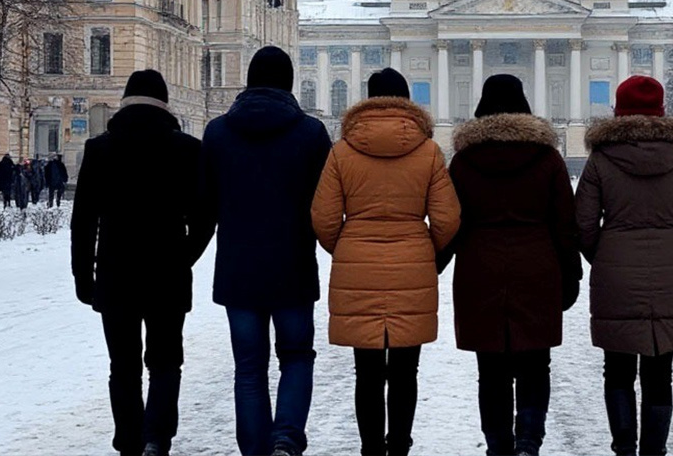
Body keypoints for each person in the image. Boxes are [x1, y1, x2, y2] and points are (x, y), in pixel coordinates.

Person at [311, 67, 460, 456]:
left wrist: (346, 248)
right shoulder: (428, 151)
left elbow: (324, 217)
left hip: (357, 261)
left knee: (367, 373)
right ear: (407, 102)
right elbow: (447, 219)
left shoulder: (342, 150)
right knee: (406, 371)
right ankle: (399, 447)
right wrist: (426, 250)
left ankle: (371, 448)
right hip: (412, 262)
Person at [576, 76, 673, 456]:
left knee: (617, 371)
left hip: (615, 274)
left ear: (618, 111)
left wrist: (605, 255)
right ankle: (654, 451)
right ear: (661, 110)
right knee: (660, 374)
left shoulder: (601, 157)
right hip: (672, 273)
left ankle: (624, 448)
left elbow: (583, 224)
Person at [200, 46, 332, 456]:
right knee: (296, 357)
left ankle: (255, 449)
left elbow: (206, 203)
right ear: (289, 82)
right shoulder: (311, 133)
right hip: (292, 266)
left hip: (238, 269)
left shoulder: (217, 132)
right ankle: (286, 440)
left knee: (249, 369)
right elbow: (323, 204)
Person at [70, 69, 208, 456]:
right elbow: (204, 215)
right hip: (168, 272)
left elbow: (83, 220)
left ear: (125, 101)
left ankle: (128, 439)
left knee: (123, 365)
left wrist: (84, 274)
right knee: (166, 362)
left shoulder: (101, 149)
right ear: (165, 104)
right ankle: (157, 438)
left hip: (115, 273)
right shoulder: (187, 149)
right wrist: (185, 255)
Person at [445, 74, 581, 456]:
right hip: (537, 268)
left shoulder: (465, 160)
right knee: (536, 363)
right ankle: (528, 441)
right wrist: (571, 274)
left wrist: (433, 264)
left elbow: (451, 221)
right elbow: (564, 223)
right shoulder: (549, 159)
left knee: (491, 371)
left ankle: (498, 444)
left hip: (479, 270)